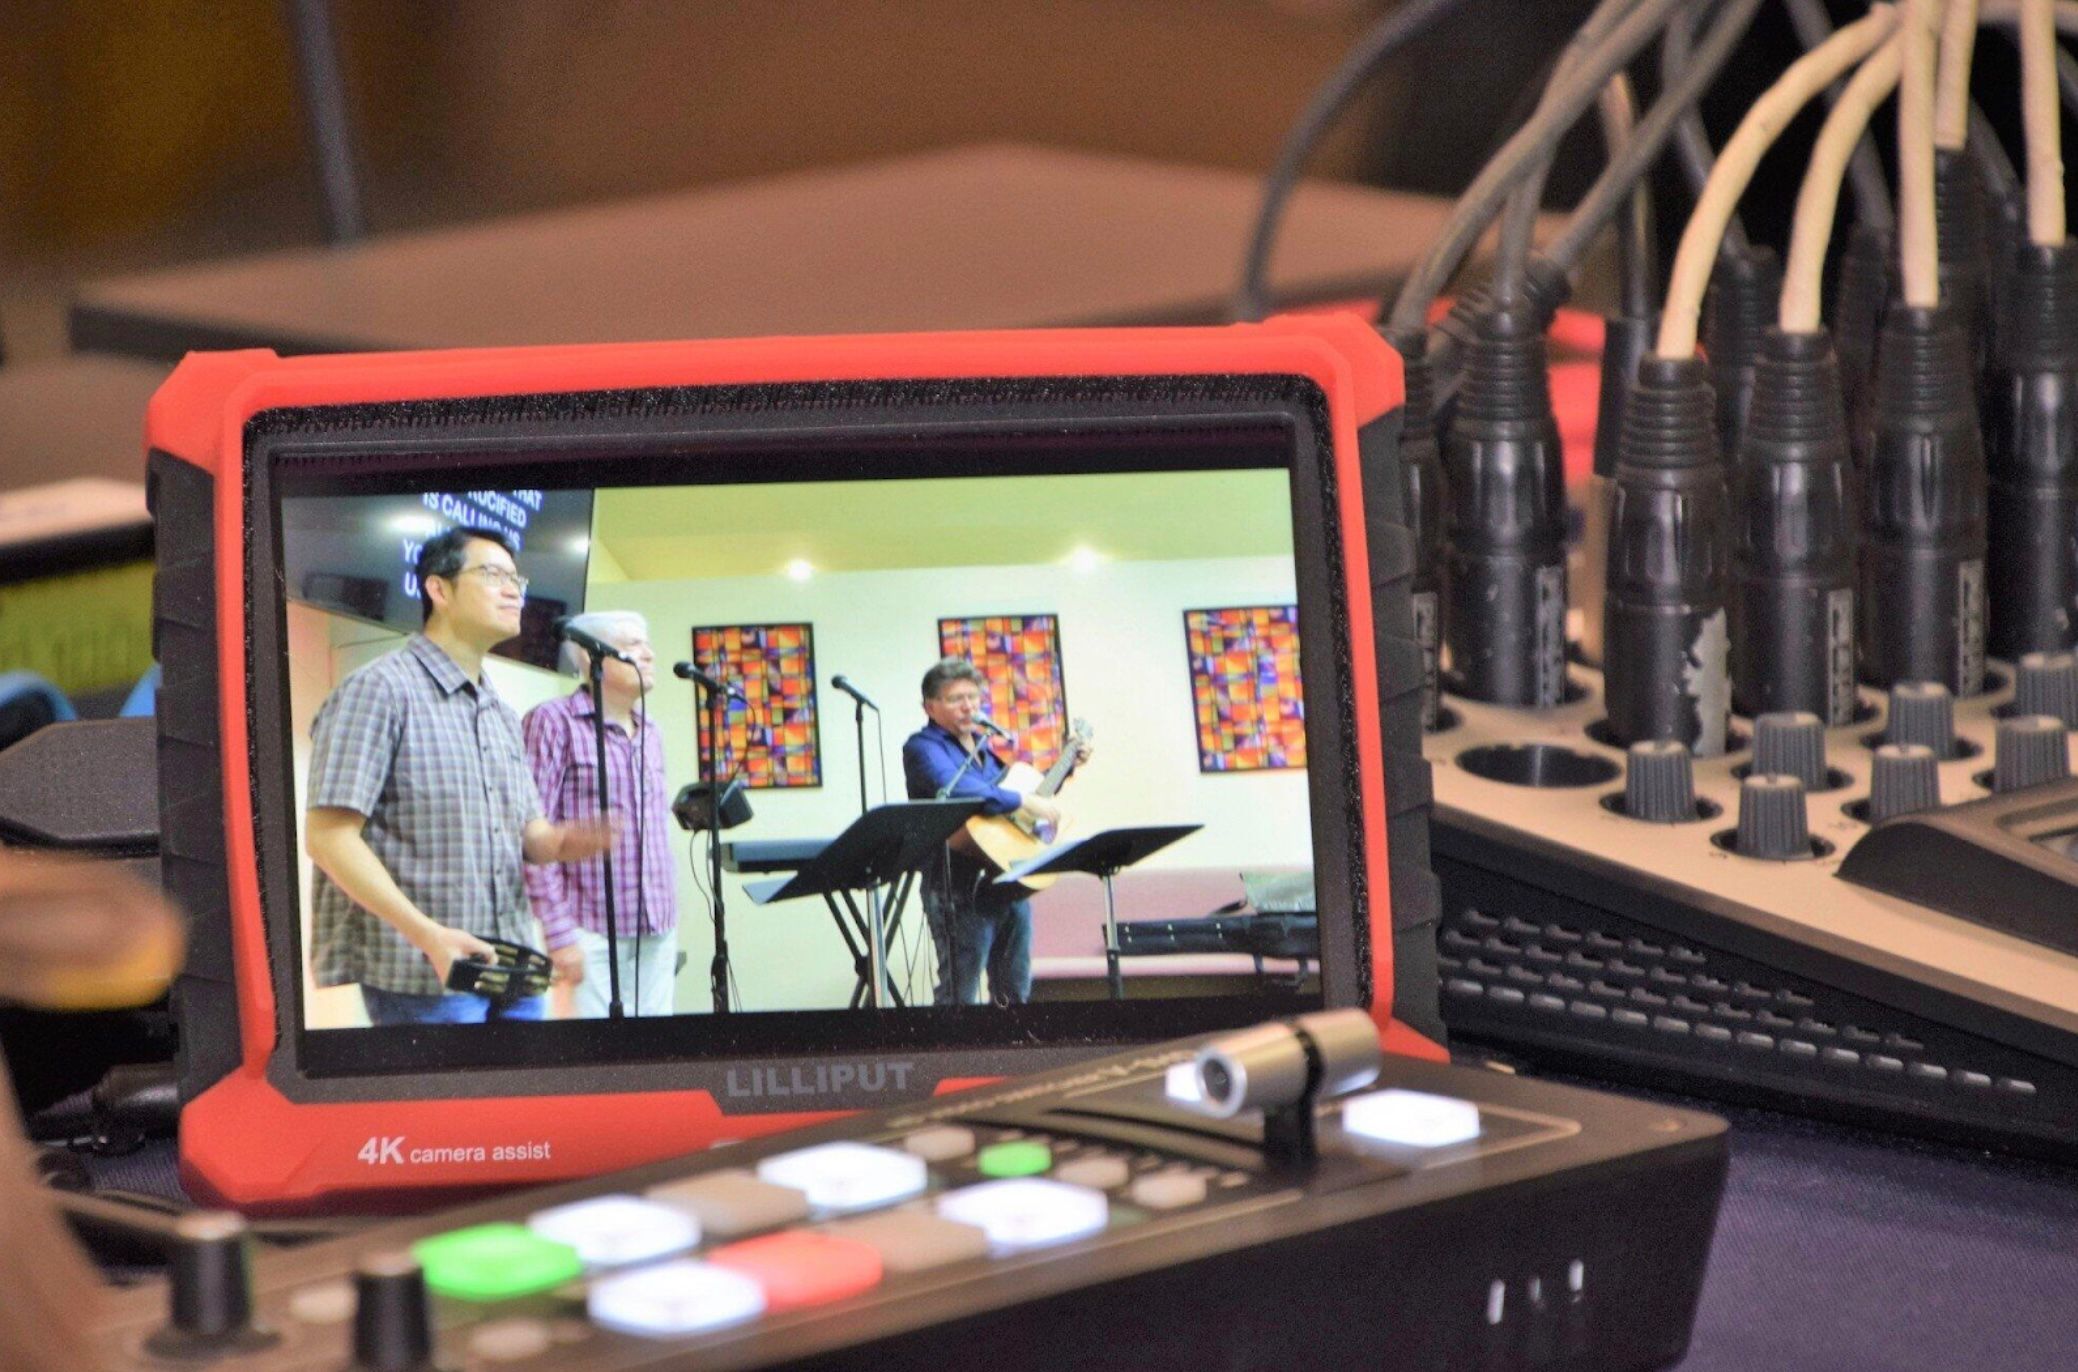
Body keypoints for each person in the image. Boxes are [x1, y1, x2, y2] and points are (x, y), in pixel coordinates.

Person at [304, 525, 614, 1026]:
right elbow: (328, 838)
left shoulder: (500, 712)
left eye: (517, 579)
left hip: (512, 970)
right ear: (439, 589)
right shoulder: (380, 690)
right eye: (493, 574)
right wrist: (427, 934)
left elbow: (531, 837)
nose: (514, 592)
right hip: (424, 976)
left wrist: (565, 841)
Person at [901, 658, 1091, 1005]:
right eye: (956, 698)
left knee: (1014, 989)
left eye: (973, 697)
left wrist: (1065, 767)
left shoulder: (984, 749)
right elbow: (960, 790)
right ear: (930, 706)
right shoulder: (923, 748)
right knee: (959, 995)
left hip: (1005, 880)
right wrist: (1022, 801)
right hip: (956, 886)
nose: (968, 706)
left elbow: (1018, 799)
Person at [522, 610, 679, 1018]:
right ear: (594, 658)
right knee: (592, 1054)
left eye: (647, 644)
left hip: (657, 929)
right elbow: (531, 835)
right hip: (587, 931)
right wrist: (559, 935)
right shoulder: (552, 722)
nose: (649, 654)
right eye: (633, 645)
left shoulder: (651, 731)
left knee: (655, 1052)